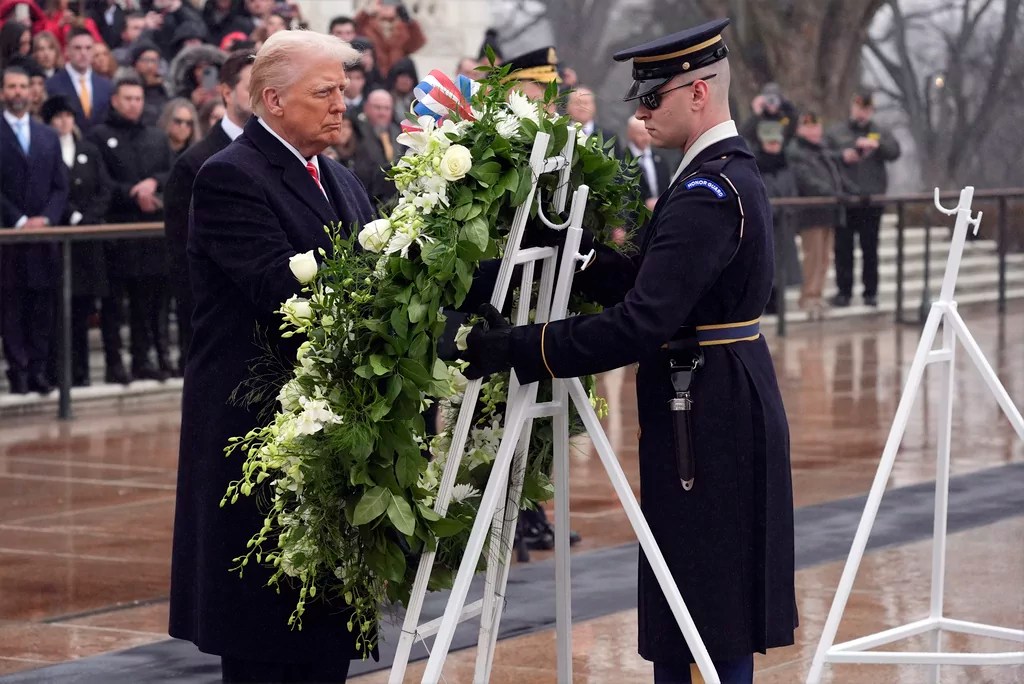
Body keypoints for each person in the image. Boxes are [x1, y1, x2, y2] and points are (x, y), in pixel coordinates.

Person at [459, 19, 797, 683]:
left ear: (698, 93)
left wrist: (520, 348)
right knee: (688, 595)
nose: (641, 113)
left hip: (711, 406)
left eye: (653, 98)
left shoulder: (708, 190)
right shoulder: (708, 177)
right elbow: (640, 271)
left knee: (710, 601)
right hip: (706, 394)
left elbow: (641, 321)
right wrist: (567, 254)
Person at [169, 31, 374, 683]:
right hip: (260, 434)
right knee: (266, 637)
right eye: (326, 91)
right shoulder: (231, 175)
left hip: (328, 433)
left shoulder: (338, 175)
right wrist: (392, 283)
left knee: (324, 636)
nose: (342, 104)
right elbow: (278, 285)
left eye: (344, 89)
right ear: (274, 100)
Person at [163, 48, 253, 373]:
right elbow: (181, 254)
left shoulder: (276, 155)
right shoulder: (194, 163)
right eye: (251, 85)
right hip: (215, 321)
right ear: (226, 91)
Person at [87, 75, 174, 384]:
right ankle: (114, 363)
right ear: (114, 100)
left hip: (149, 235)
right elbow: (101, 181)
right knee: (113, 305)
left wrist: (155, 185)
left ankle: (142, 359)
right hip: (115, 232)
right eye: (128, 98)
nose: (134, 104)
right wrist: (132, 192)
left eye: (138, 98)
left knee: (145, 302)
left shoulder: (156, 136)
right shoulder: (99, 135)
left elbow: (169, 170)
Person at [0, 66, 68, 395]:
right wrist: (18, 220)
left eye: (22, 86)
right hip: (9, 239)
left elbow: (60, 186)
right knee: (12, 307)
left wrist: (47, 218)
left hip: (43, 239)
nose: (18, 92)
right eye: (11, 87)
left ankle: (39, 370)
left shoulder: (47, 135)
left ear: (31, 91)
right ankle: (19, 371)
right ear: (3, 92)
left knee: (43, 306)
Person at [41, 93, 112, 386]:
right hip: (59, 242)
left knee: (83, 310)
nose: (64, 121)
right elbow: (50, 191)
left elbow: (104, 188)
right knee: (59, 311)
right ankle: (59, 374)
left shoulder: (88, 149)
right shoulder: (45, 151)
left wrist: (89, 216)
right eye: (58, 117)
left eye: (68, 116)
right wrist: (71, 215)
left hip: (87, 243)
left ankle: (81, 373)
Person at [826, 89, 901, 307]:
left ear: (872, 111)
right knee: (843, 248)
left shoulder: (879, 131)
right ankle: (844, 292)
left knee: (870, 248)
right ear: (852, 108)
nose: (862, 114)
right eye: (859, 108)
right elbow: (823, 154)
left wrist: (877, 145)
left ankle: (870, 292)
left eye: (866, 110)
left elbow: (895, 152)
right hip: (846, 198)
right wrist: (843, 155)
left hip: (871, 198)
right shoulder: (837, 132)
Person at [787, 111, 847, 318]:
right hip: (811, 212)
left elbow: (835, 176)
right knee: (813, 257)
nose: (814, 131)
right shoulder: (797, 152)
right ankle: (809, 297)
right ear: (800, 129)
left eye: (816, 127)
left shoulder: (823, 150)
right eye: (809, 127)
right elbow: (806, 181)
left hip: (828, 211)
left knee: (824, 259)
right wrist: (832, 193)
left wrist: (847, 190)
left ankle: (817, 294)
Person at [753, 121, 800, 315]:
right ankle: (763, 303)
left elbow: (793, 190)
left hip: (783, 224)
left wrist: (789, 210)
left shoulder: (786, 165)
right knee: (763, 265)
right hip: (764, 223)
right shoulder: (755, 165)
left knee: (781, 266)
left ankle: (777, 304)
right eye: (770, 142)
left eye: (776, 142)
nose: (774, 146)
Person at [45, 27, 113, 133]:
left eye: (88, 48)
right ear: (67, 50)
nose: (83, 53)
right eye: (78, 48)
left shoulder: (106, 86)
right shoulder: (52, 85)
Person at [354, 0, 425, 77]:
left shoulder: (404, 27)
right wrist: (365, 13)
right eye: (383, 3)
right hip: (373, 74)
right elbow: (353, 31)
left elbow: (416, 44)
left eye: (391, 3)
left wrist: (410, 22)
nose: (386, 6)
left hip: (397, 74)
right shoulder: (368, 25)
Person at [739, 81, 798, 152]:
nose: (772, 102)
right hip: (761, 156)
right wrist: (756, 113)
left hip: (781, 155)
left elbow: (794, 123)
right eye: (768, 99)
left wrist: (786, 104)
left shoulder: (784, 117)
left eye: (775, 99)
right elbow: (744, 133)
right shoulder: (759, 118)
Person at [131, 41, 169, 127]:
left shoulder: (165, 87)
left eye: (154, 61)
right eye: (145, 60)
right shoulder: (128, 85)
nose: (150, 65)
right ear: (135, 63)